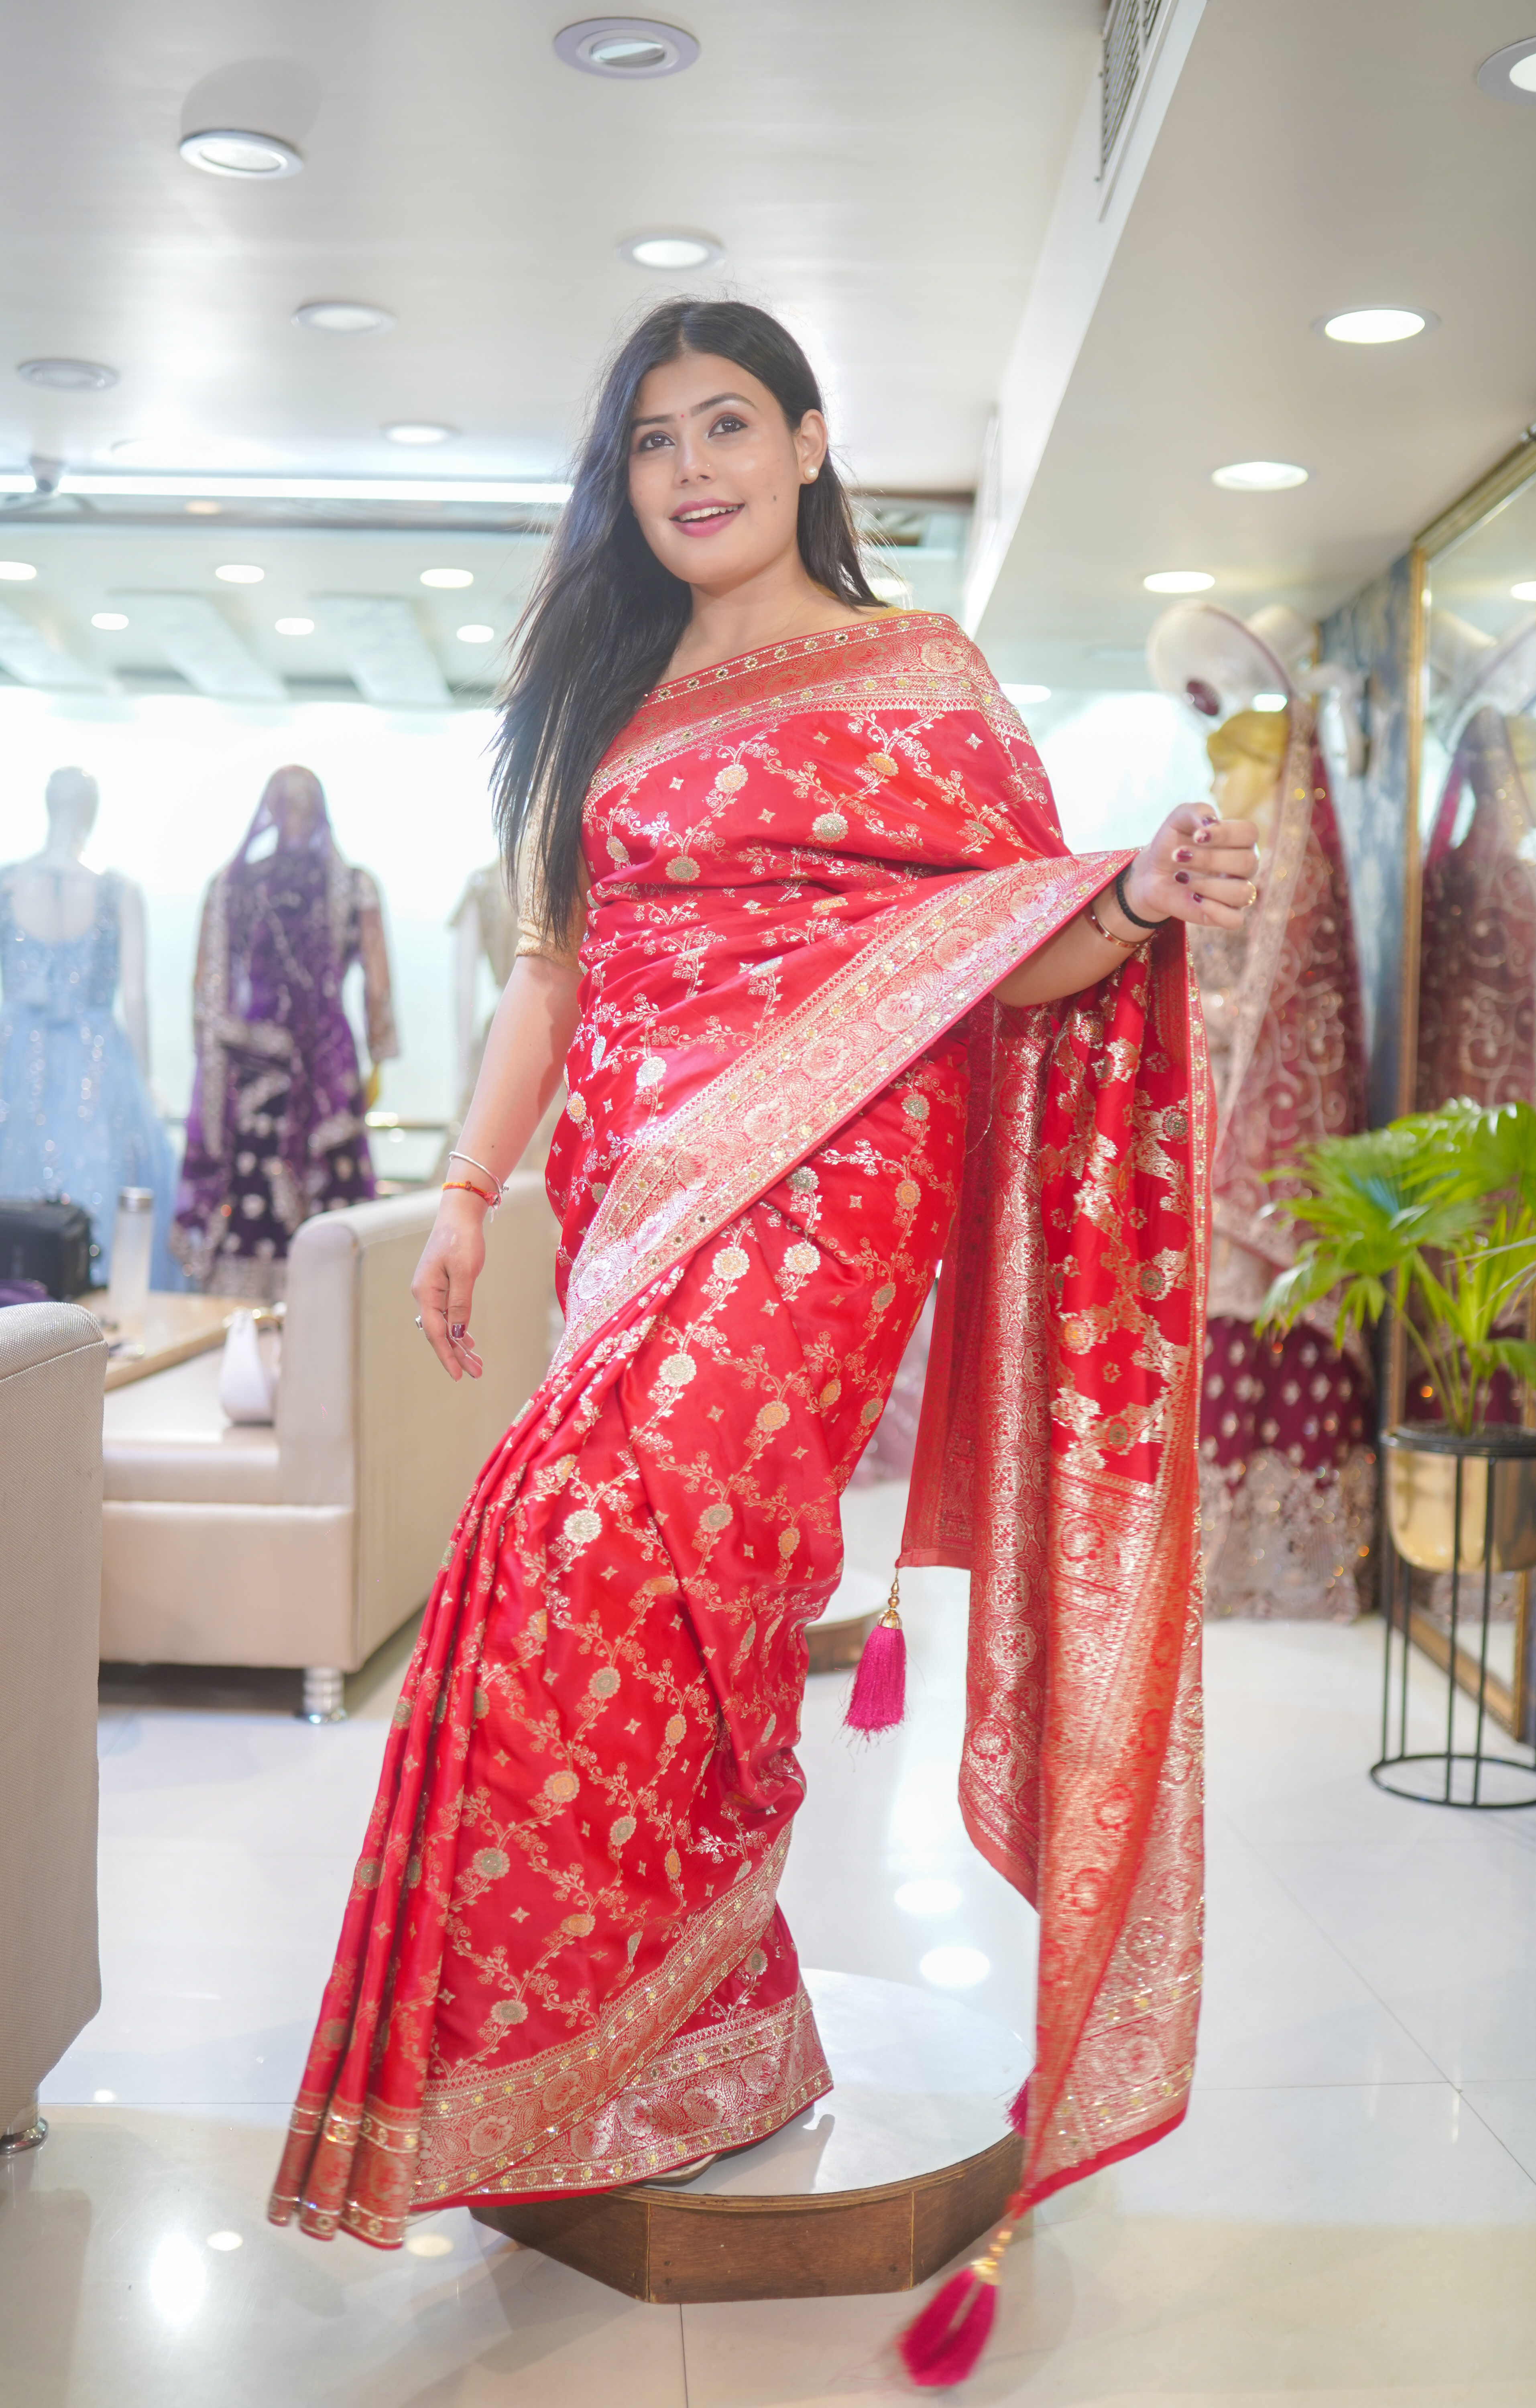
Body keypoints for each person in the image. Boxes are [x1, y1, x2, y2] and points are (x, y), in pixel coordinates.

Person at [269, 302, 1256, 2295]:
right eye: (651, 440)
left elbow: (997, 947)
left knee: (609, 1559)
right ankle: (699, 2027)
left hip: (825, 1195)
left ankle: (665, 2032)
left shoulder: (916, 674)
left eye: (727, 425)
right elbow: (552, 964)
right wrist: (461, 1191)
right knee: (613, 1592)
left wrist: (1134, 899)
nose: (690, 468)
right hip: (633, 1197)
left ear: (810, 445)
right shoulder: (602, 693)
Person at [1149, 605, 1372, 1619]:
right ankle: (1220, 1559)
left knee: (1263, 1324)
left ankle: (1285, 1566)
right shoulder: (1237, 857)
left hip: (1268, 1136)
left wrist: (1205, 1014)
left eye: (1239, 763)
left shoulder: (1295, 869)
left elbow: (1291, 1006)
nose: (1223, 784)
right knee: (1219, 1331)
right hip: (1214, 1116)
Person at [172, 765, 398, 1298]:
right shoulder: (354, 885)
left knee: (249, 1186)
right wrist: (378, 1058)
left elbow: (207, 991)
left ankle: (242, 1315)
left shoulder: (232, 885)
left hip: (252, 1068)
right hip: (326, 1069)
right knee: (329, 1191)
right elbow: (378, 989)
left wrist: (211, 1068)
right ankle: (326, 1307)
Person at [0, 766, 181, 1288]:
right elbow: (135, 996)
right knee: (100, 1172)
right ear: (92, 811)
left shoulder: (9, 883)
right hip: (95, 1058)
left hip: (17, 1054)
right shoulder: (118, 891)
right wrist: (146, 1080)